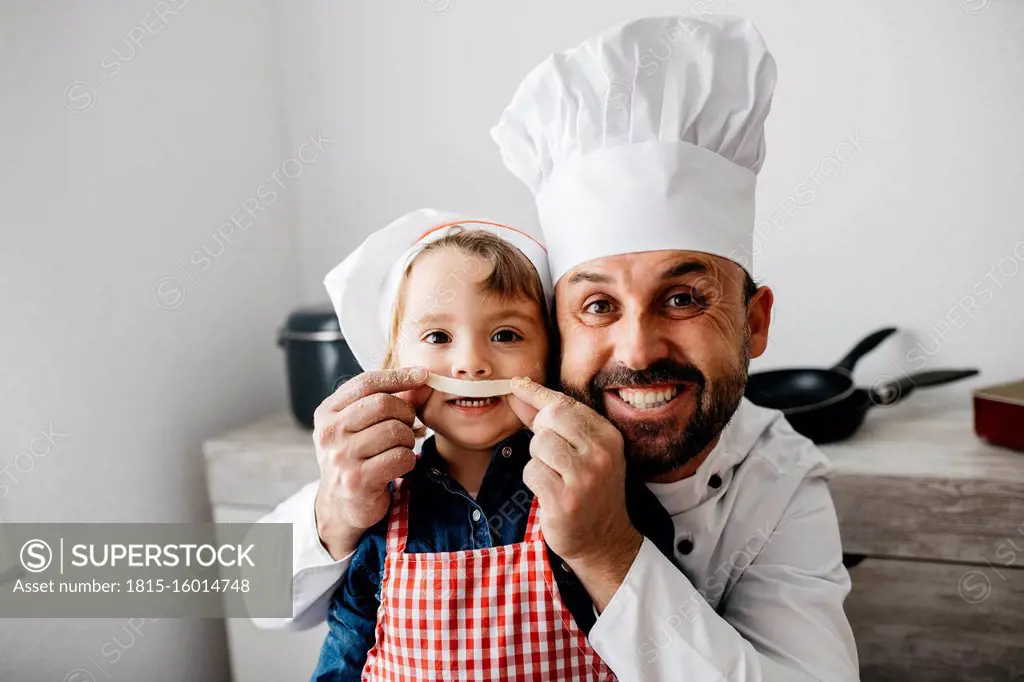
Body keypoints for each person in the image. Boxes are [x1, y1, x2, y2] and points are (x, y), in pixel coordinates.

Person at [258, 14, 860, 682]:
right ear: (560, 332)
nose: (636, 348)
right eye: (597, 306)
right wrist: (331, 512)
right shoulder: (401, 473)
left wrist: (608, 551)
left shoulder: (779, 484)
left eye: (684, 298)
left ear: (753, 322)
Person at [309, 209, 675, 680]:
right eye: (438, 335)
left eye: (506, 335)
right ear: (392, 366)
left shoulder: (592, 489)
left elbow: (657, 635)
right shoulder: (380, 506)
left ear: (551, 360)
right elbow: (344, 647)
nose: (471, 363)